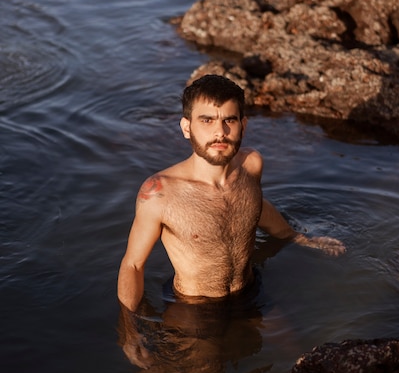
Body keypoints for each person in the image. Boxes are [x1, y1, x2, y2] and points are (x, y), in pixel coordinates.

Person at [117, 74, 345, 312]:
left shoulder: (251, 165)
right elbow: (133, 265)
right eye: (206, 120)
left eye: (229, 120)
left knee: (294, 348)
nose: (220, 132)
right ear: (187, 128)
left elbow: (255, 206)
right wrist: (130, 332)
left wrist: (298, 237)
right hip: (194, 307)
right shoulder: (159, 193)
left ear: (243, 125)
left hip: (249, 290)